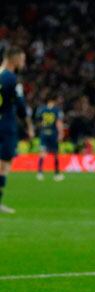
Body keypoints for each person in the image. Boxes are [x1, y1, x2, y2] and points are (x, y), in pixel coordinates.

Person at [0, 46, 34, 214]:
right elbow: (20, 106)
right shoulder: (11, 79)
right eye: (22, 59)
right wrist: (29, 126)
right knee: (4, 164)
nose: (23, 63)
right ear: (13, 59)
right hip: (5, 126)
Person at [35, 96, 65, 181]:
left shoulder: (41, 109)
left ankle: (40, 173)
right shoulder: (57, 110)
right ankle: (56, 174)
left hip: (44, 133)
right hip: (53, 133)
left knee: (42, 153)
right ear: (53, 101)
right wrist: (61, 133)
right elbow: (59, 122)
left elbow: (38, 121)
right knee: (55, 154)